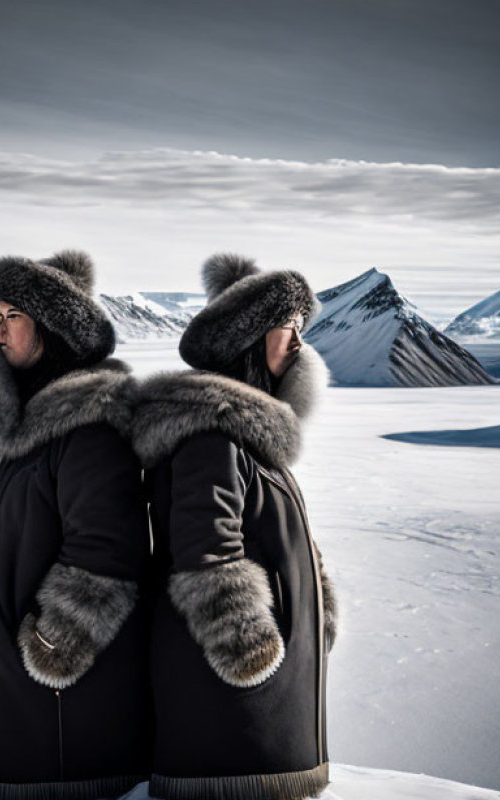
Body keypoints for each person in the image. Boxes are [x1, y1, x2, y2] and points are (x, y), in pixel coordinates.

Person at [0, 250, 152, 800]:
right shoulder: (9, 431)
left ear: (51, 327)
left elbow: (107, 551)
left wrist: (54, 642)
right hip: (5, 689)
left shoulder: (90, 425)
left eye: (13, 316)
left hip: (60, 720)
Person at [132, 253, 337, 800]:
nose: (299, 343)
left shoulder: (248, 437)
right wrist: (246, 643)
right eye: (288, 328)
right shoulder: (213, 437)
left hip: (250, 691)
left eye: (301, 330)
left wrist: (316, 604)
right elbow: (207, 549)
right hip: (230, 698)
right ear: (249, 341)